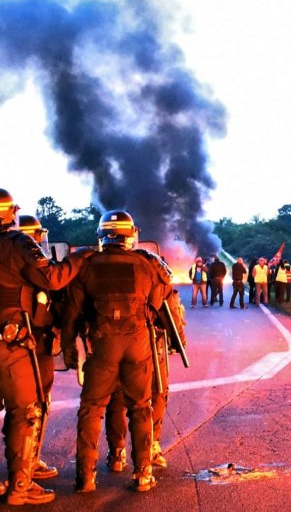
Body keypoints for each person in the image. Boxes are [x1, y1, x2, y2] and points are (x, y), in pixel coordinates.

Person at [0, 189, 90, 505]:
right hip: (10, 342)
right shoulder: (18, 244)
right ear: (8, 214)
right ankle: (21, 486)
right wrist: (80, 257)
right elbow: (53, 279)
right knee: (24, 411)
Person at [61, 209, 172, 493]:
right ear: (131, 235)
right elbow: (158, 307)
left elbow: (71, 314)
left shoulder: (87, 265)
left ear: (101, 235)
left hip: (102, 346)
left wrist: (69, 351)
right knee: (140, 408)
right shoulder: (147, 264)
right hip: (138, 346)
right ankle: (143, 473)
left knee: (91, 409)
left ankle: (86, 477)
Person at [105, 283, 186, 474]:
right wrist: (179, 341)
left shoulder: (104, 274)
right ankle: (150, 449)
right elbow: (172, 315)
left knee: (116, 397)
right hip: (148, 347)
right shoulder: (153, 273)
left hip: (110, 347)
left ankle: (116, 452)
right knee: (156, 394)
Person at [16, 215, 63, 482]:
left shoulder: (2, 264)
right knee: (37, 403)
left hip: (4, 345)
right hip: (36, 345)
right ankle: (28, 464)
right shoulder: (39, 269)